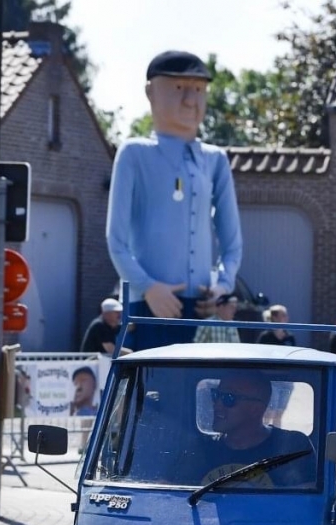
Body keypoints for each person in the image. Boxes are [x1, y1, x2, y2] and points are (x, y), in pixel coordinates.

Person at [106, 50, 242, 350]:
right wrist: (148, 287)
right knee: (148, 379)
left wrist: (222, 286)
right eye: (179, 88)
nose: (191, 100)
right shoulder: (134, 154)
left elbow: (232, 243)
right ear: (150, 92)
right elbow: (116, 241)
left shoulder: (215, 160)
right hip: (148, 308)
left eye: (199, 90)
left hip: (203, 310)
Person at [194, 372, 314, 487]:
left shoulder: (292, 446)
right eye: (215, 395)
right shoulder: (201, 451)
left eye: (228, 398)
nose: (217, 405)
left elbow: (309, 495)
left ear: (255, 409)